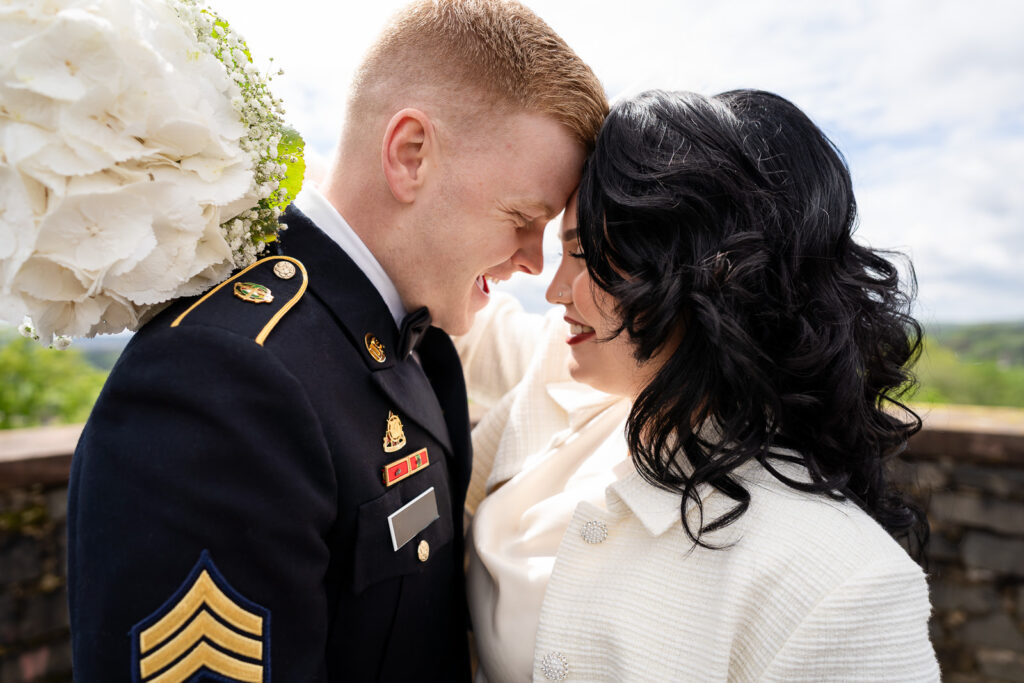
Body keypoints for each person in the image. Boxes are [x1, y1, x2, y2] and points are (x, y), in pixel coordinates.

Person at [66, 1, 606, 680]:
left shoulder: (413, 347)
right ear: (411, 155)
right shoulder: (220, 377)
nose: (533, 261)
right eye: (523, 217)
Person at [457, 90, 939, 681]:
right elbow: (468, 328)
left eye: (582, 254)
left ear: (699, 270)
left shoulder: (846, 590)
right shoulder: (568, 379)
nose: (555, 291)